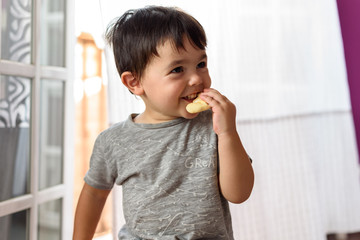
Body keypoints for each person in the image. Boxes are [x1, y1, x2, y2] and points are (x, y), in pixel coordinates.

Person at [73, 6, 254, 240]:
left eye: (201, 64)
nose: (196, 79)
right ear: (134, 82)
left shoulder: (215, 126)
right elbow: (94, 195)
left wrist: (228, 132)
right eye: (178, 69)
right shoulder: (113, 141)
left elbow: (239, 194)